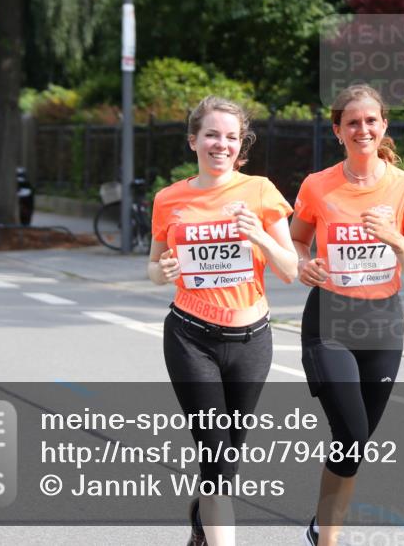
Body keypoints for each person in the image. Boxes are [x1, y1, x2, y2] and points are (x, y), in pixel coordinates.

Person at [290, 85, 404, 546]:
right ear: (337, 131)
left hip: (383, 324)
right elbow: (296, 241)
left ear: (384, 126)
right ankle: (329, 541)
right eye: (352, 122)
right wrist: (301, 263)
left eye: (371, 120)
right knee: (350, 430)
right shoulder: (317, 184)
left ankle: (320, 528)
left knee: (354, 444)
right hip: (329, 320)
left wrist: (394, 238)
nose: (363, 129)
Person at [148, 96, 298, 546]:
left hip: (252, 341)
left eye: (231, 137)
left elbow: (290, 270)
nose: (221, 144)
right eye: (212, 134)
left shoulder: (261, 192)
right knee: (215, 454)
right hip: (190, 338)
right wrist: (165, 271)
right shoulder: (169, 199)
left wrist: (259, 237)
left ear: (241, 145)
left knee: (228, 454)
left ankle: (201, 519)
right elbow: (154, 268)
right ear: (194, 140)